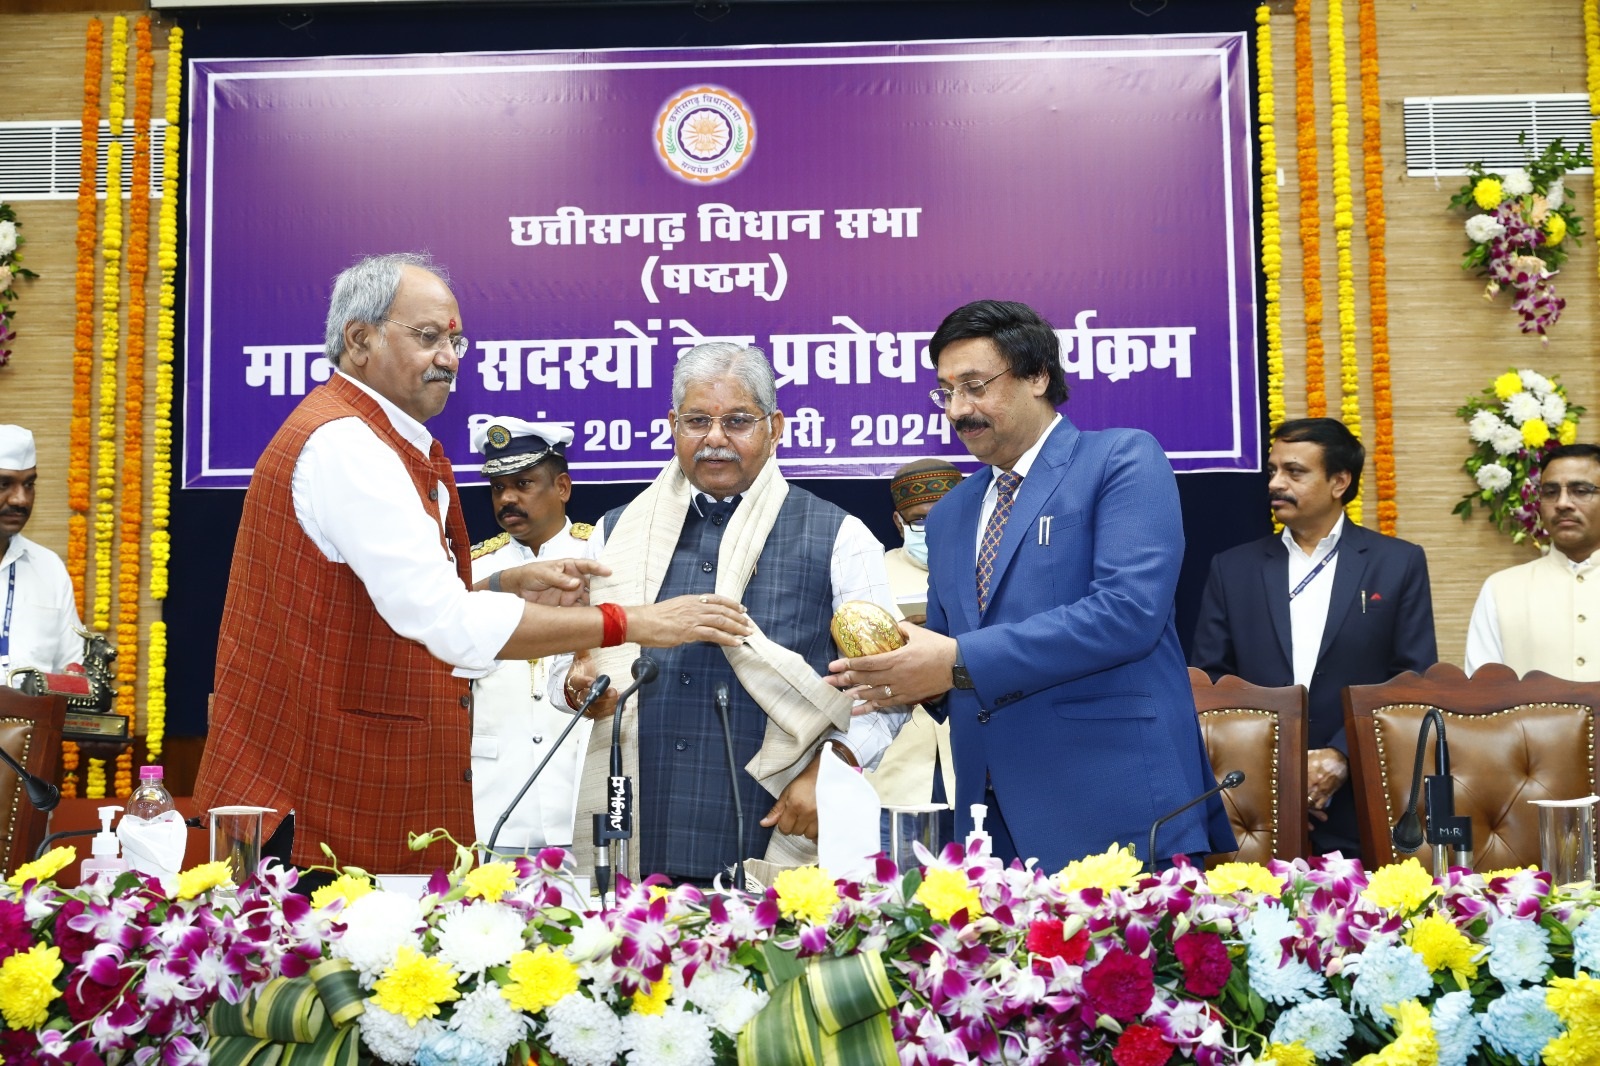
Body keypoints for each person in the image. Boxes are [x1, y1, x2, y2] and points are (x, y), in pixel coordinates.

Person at [193, 254, 750, 875]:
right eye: (428, 336)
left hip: (359, 791)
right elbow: (447, 624)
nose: (450, 358)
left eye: (455, 341)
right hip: (324, 799)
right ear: (360, 339)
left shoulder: (369, 438)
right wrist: (634, 623)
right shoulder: (346, 445)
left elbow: (383, 603)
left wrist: (502, 584)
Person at [827, 300, 1233, 871]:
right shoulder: (950, 514)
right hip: (986, 815)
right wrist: (900, 674)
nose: (958, 410)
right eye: (946, 392)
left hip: (1115, 800)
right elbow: (950, 653)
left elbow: (1126, 613)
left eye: (975, 386)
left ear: (1038, 375)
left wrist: (955, 661)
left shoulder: (1121, 459)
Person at [574, 341, 909, 884]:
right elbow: (572, 668)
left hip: (775, 822)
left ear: (775, 428)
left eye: (736, 421)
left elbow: (891, 684)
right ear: (673, 426)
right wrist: (576, 686)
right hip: (636, 825)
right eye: (697, 421)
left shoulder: (840, 535)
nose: (714, 438)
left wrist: (833, 766)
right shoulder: (615, 534)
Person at [1191, 417, 1436, 860]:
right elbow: (1211, 683)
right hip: (1256, 799)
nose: (1275, 483)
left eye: (1294, 472)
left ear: (1339, 481)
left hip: (1363, 793)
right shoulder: (1234, 568)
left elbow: (1412, 678)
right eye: (1273, 470)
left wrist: (1341, 756)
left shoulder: (1397, 563)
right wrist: (1279, 772)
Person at [468, 418, 598, 852]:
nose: (507, 498)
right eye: (498, 487)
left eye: (523, 484)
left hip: (581, 785)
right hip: (496, 794)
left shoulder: (601, 556)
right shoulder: (474, 571)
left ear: (562, 487)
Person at [866, 460, 960, 837]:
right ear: (898, 522)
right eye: (920, 520)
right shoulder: (868, 576)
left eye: (945, 516)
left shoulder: (994, 573)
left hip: (979, 772)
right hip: (894, 773)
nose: (933, 529)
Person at [1466, 443, 1600, 680]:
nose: (1562, 503)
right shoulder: (1501, 589)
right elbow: (1481, 693)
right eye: (1550, 492)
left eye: (1581, 491)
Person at [0, 425, 85, 682]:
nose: (21, 500)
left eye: (29, 484)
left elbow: (73, 673)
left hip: (35, 711)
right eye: (4, 484)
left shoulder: (48, 568)